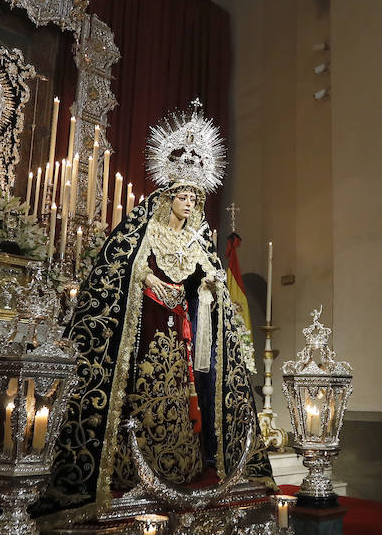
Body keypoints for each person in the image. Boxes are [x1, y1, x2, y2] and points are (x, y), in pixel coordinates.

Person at [44, 101, 269, 513]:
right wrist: (148, 280)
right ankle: (129, 468)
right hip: (144, 334)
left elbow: (207, 286)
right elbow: (118, 268)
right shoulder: (141, 233)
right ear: (168, 198)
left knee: (183, 400)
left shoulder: (199, 243)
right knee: (140, 395)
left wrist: (210, 287)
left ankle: (181, 466)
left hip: (181, 339)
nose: (188, 202)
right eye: (182, 195)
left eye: (194, 197)